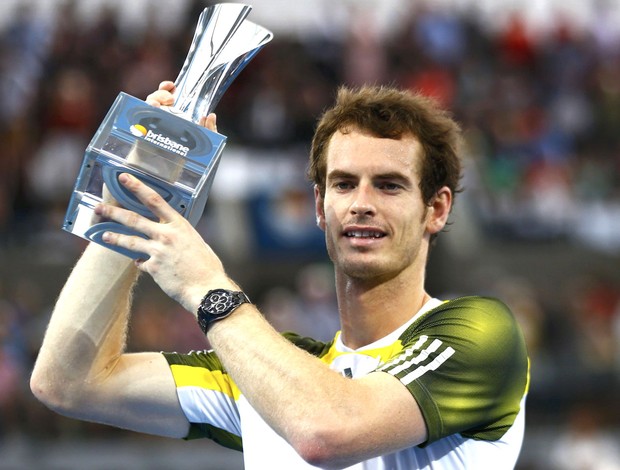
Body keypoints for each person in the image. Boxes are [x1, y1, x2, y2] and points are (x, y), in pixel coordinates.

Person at [30, 80, 529, 469]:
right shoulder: (271, 373)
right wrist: (133, 198)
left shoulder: (482, 334)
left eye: (390, 186)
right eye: (343, 183)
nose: (361, 204)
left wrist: (207, 285)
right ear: (319, 205)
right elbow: (69, 382)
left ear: (436, 209)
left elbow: (325, 431)